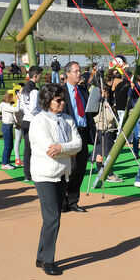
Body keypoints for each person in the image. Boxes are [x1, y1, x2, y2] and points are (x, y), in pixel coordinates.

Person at [28, 83, 82, 276]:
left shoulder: (67, 119)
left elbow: (78, 144)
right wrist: (67, 149)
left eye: (63, 99)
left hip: (62, 174)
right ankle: (48, 260)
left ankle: (41, 255)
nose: (62, 103)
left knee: (52, 217)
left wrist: (62, 148)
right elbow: (49, 148)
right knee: (52, 219)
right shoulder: (38, 121)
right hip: (44, 175)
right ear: (47, 101)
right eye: (58, 100)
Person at [61, 62, 91, 213]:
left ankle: (73, 201)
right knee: (69, 168)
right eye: (76, 71)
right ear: (68, 73)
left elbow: (89, 111)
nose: (79, 74)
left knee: (80, 168)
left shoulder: (83, 91)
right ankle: (62, 201)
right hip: (68, 134)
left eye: (79, 71)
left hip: (83, 132)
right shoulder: (61, 92)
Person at [18, 66, 42, 182]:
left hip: (25, 120)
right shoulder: (34, 90)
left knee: (27, 148)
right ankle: (33, 172)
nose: (41, 77)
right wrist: (43, 113)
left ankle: (27, 174)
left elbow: (21, 107)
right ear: (35, 76)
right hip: (33, 121)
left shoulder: (24, 89)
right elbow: (33, 109)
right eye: (40, 75)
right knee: (35, 148)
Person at [0, 92, 21, 170]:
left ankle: (7, 162)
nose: (14, 98)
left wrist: (16, 124)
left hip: (8, 126)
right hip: (7, 126)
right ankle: (4, 163)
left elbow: (12, 116)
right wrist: (18, 101)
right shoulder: (6, 106)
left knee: (10, 145)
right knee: (8, 145)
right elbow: (16, 109)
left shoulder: (6, 105)